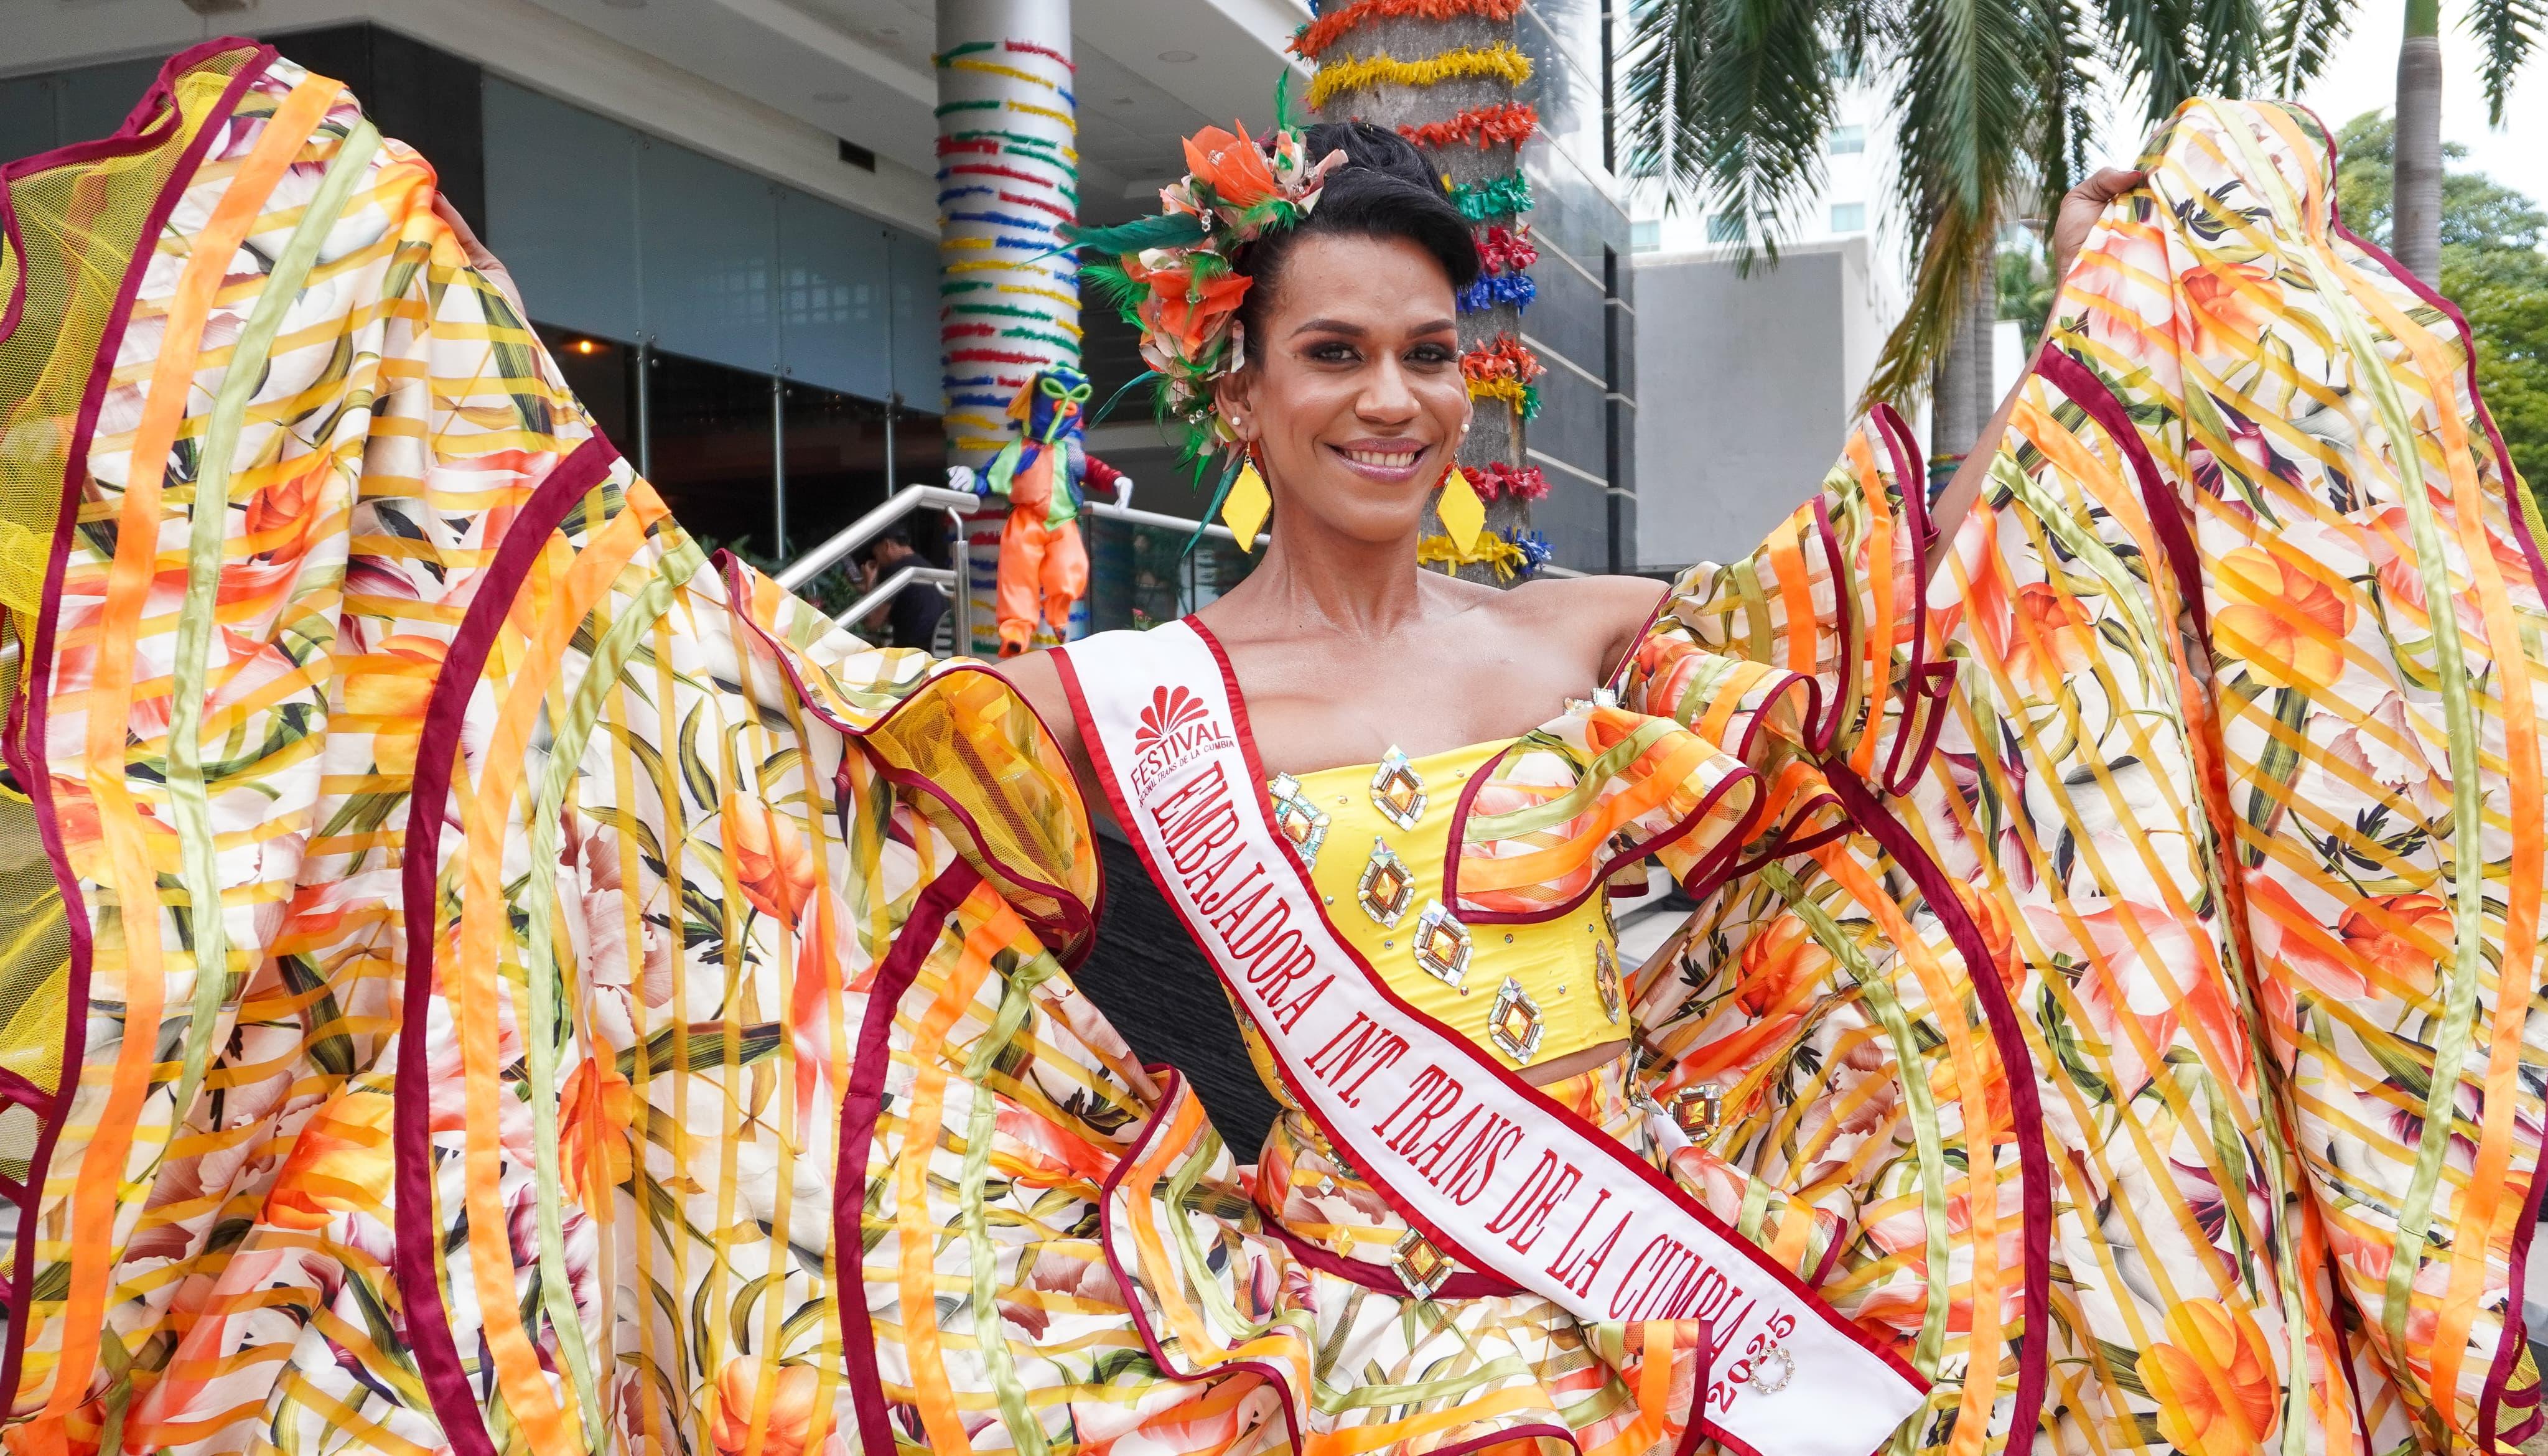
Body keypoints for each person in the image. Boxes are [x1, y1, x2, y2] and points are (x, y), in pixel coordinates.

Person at [2, 40, 2541, 1456]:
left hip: (1692, 1275)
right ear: (1237, 387)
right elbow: (732, 762)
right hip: (1331, 1323)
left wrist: (2143, 324)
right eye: (1332, 352)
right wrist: (432, 427)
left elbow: (1952, 652)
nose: (1388, 399)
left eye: (1430, 354)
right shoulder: (1094, 707)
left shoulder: (1608, 634)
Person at [856, 523, 948, 651]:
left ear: (887, 546)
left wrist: (869, 583)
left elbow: (872, 623)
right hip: (939, 652)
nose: (878, 563)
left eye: (876, 555)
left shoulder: (897, 571)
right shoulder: (925, 566)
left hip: (912, 653)